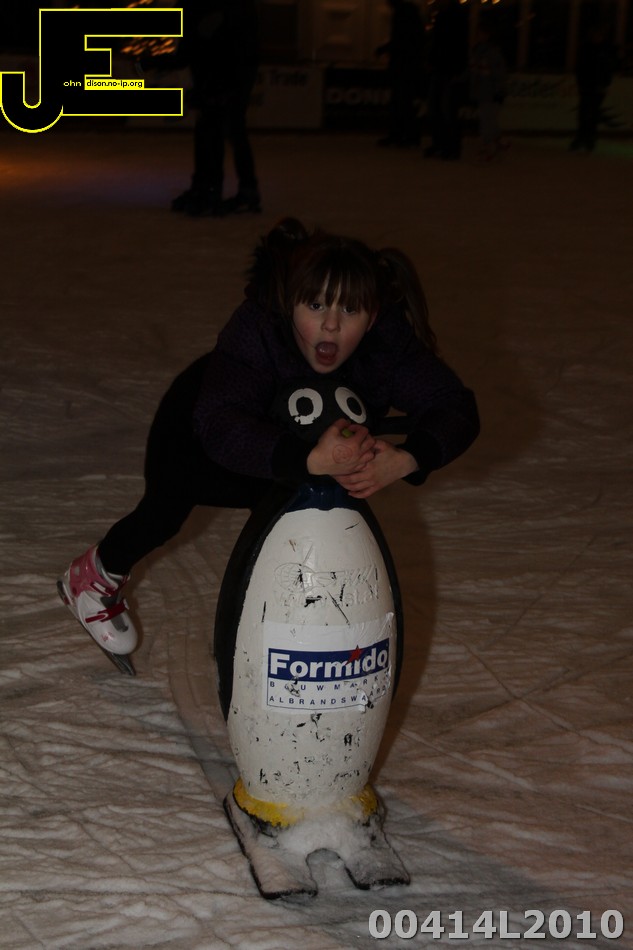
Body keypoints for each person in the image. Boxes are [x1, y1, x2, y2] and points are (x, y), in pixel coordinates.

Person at [57, 218, 480, 664]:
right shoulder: (258, 327)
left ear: (372, 316)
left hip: (295, 450)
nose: (331, 325)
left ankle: (294, 622)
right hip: (198, 431)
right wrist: (308, 459)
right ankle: (92, 577)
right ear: (289, 302)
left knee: (304, 514)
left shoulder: (386, 344)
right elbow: (220, 422)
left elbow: (455, 406)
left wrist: (410, 457)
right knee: (165, 511)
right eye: (315, 305)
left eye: (350, 310)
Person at [142, 0, 261, 216]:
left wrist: (152, 62)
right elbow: (193, 50)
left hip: (228, 72)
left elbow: (194, 51)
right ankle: (210, 188)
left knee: (221, 128)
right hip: (222, 71)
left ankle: (221, 190)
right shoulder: (199, 9)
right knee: (212, 128)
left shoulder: (206, 10)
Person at [375, 0, 426, 147]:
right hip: (409, 65)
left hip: (404, 66)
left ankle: (403, 134)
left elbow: (400, 39)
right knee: (404, 102)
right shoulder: (410, 13)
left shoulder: (402, 14)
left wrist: (384, 49)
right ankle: (405, 135)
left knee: (402, 102)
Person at [423, 0, 470, 160]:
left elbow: (448, 43)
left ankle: (447, 146)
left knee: (444, 109)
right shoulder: (453, 15)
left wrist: (432, 60)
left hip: (447, 69)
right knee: (442, 109)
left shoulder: (450, 16)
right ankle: (446, 145)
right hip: (445, 68)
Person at [570, 20, 618, 153]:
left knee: (591, 113)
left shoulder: (603, 50)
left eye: (599, 35)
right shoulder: (590, 49)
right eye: (596, 34)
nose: (597, 37)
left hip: (596, 86)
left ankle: (588, 138)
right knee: (585, 113)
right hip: (588, 85)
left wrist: (604, 83)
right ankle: (583, 137)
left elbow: (608, 68)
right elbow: (581, 68)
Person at [469, 16, 508, 161]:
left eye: (480, 33)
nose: (477, 36)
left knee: (487, 121)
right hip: (483, 92)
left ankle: (488, 147)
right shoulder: (477, 51)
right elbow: (474, 72)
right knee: (488, 120)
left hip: (491, 92)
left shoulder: (492, 53)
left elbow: (499, 74)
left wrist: (498, 91)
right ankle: (497, 142)